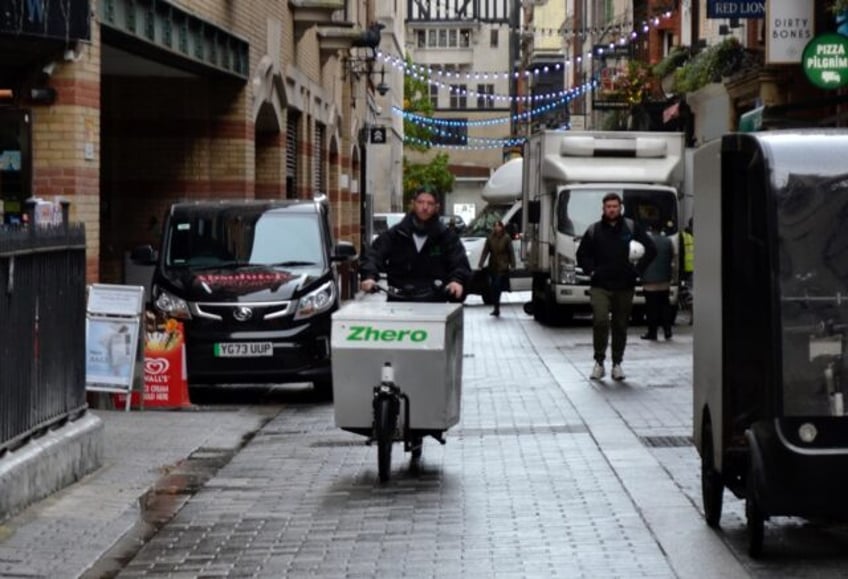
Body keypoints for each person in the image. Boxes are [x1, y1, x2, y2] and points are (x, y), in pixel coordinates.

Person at [576, 193, 656, 381]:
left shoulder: (630, 228)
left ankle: (617, 363)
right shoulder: (594, 230)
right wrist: (591, 271)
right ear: (603, 209)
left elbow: (651, 249)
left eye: (615, 206)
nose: (612, 209)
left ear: (620, 208)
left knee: (620, 325)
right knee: (601, 321)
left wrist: (637, 271)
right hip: (600, 285)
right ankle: (599, 362)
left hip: (624, 285)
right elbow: (582, 255)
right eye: (608, 206)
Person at [359, 187, 471, 300]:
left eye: (430, 203)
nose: (425, 207)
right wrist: (369, 276)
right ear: (413, 204)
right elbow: (374, 254)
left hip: (434, 299)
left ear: (437, 207)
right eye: (420, 202)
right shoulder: (397, 233)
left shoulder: (446, 236)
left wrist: (457, 281)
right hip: (399, 297)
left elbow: (459, 262)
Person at [640, 227, 674, 341]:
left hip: (649, 281)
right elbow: (672, 256)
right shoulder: (668, 241)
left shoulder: (646, 241)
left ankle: (652, 332)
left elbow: (641, 258)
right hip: (664, 280)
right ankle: (667, 330)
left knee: (651, 308)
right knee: (665, 306)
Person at [478, 220, 515, 317]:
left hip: (502, 266)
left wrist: (512, 264)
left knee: (497, 286)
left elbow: (511, 252)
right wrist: (481, 263)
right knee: (494, 288)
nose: (497, 228)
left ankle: (496, 307)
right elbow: (485, 251)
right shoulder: (490, 238)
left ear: (502, 227)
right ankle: (496, 307)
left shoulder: (506, 238)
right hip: (493, 266)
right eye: (495, 226)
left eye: (499, 226)